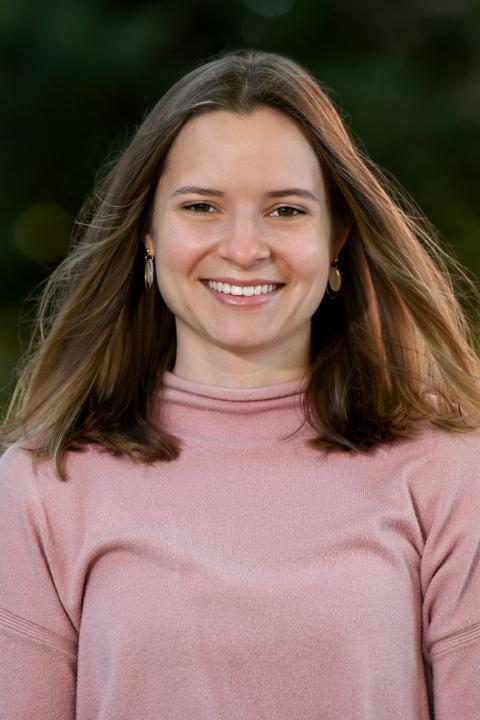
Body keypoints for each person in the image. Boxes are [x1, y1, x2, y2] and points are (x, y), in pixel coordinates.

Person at [0, 48, 479, 720]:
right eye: (201, 206)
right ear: (147, 232)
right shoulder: (43, 487)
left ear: (337, 234)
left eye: (286, 210)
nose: (246, 247)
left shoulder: (448, 473)